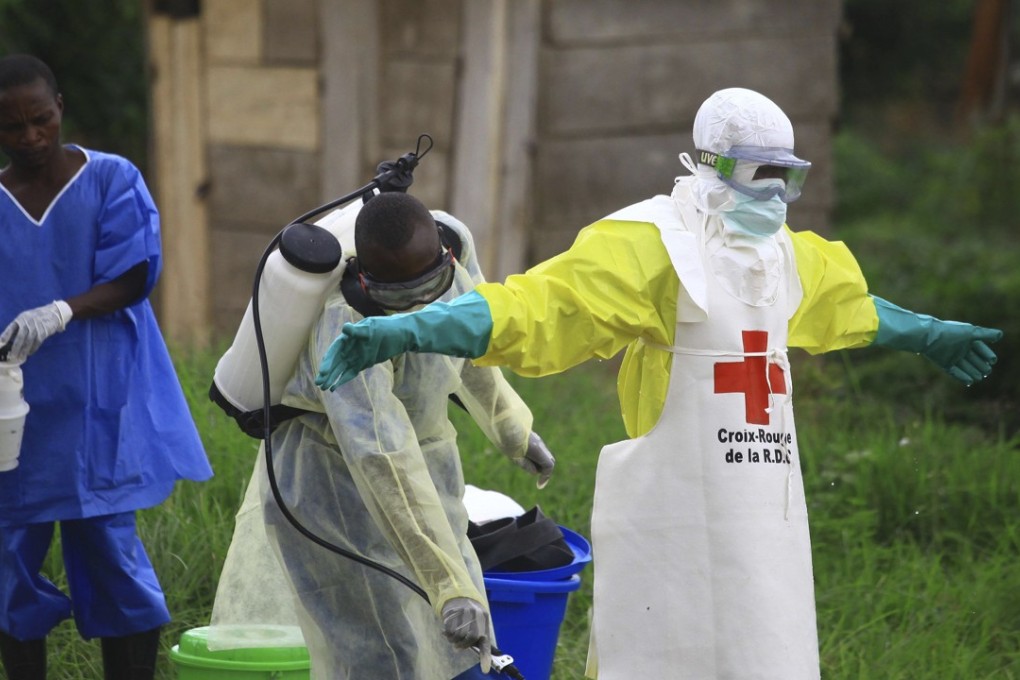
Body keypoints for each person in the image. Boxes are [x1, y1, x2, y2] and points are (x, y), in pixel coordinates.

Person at [314, 87, 1003, 679]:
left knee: (770, 652)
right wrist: (417, 328)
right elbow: (541, 306)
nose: (774, 194)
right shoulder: (652, 245)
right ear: (714, 167)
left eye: (787, 177)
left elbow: (844, 308)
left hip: (766, 529)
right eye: (761, 173)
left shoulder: (785, 256)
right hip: (672, 525)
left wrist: (926, 331)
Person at [255, 191, 555, 679]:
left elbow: (469, 332)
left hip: (427, 470)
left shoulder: (454, 243)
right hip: (335, 493)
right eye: (400, 297)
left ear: (445, 254)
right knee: (381, 653)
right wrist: (448, 587)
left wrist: (513, 429)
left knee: (462, 640)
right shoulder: (347, 325)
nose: (420, 307)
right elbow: (381, 456)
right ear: (367, 280)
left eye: (431, 285)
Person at [0, 54, 213, 679]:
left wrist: (62, 310)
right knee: (10, 559)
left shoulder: (111, 179)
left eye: (41, 119)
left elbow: (133, 274)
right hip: (17, 413)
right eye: (14, 127)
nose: (32, 136)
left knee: (109, 554)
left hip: (99, 402)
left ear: (60, 106)